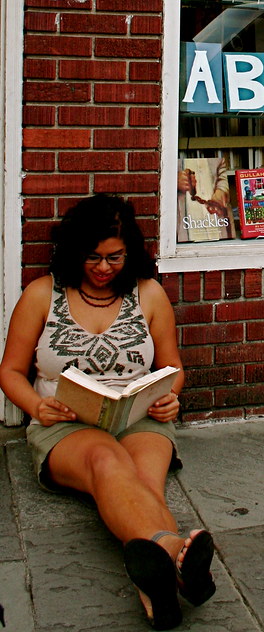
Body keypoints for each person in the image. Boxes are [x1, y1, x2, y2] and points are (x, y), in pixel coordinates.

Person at [0, 193, 215, 631]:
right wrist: (36, 406)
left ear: (130, 252)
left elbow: (173, 367)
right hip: (66, 424)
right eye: (92, 257)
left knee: (144, 482)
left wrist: (171, 394)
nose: (102, 268)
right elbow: (9, 371)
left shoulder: (148, 294)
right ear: (74, 253)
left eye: (114, 257)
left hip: (139, 416)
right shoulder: (42, 294)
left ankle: (158, 592)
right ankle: (177, 555)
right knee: (109, 464)